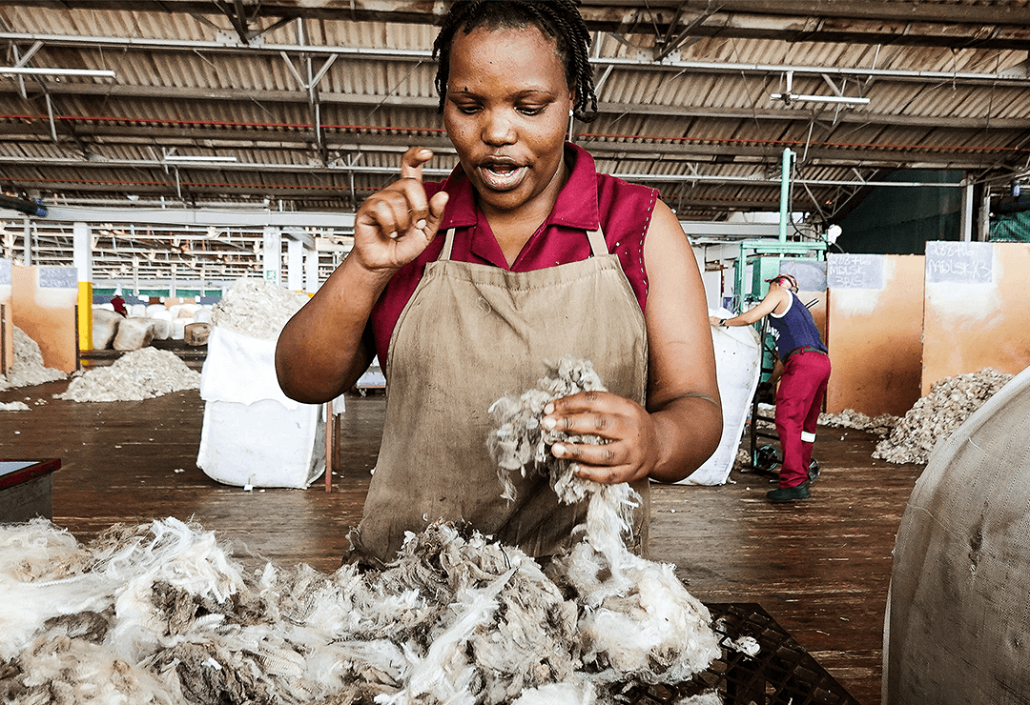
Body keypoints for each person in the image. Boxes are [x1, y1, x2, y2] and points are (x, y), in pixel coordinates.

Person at [276, 0, 722, 566]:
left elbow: (697, 404)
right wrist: (367, 268)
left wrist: (657, 441)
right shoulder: (417, 224)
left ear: (572, 104)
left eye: (529, 106)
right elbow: (301, 379)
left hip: (581, 595)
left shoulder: (635, 224)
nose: (496, 131)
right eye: (469, 105)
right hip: (411, 586)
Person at [710, 273, 831, 501]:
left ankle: (793, 483)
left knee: (787, 420)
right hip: (820, 362)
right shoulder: (799, 312)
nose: (767, 294)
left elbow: (749, 318)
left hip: (803, 362)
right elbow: (783, 360)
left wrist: (723, 322)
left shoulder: (779, 294)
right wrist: (769, 383)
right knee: (805, 426)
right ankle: (801, 476)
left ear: (778, 284)